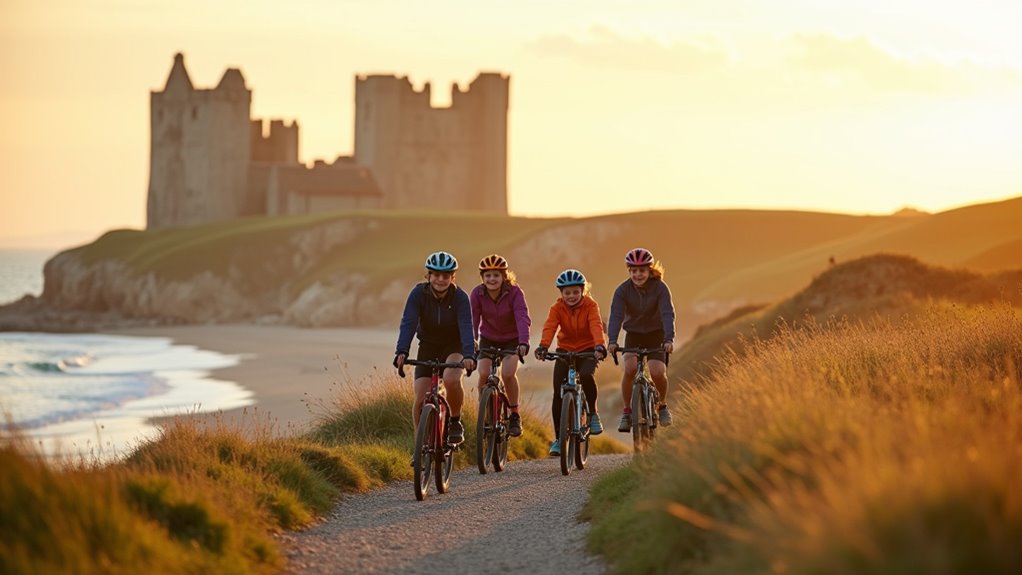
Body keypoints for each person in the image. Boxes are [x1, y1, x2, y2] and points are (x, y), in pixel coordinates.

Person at [394, 251, 477, 447]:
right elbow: (409, 323)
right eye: (436, 275)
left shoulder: (460, 297)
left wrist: (469, 355)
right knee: (421, 396)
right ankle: (420, 444)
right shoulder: (418, 294)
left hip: (454, 345)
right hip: (428, 345)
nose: (441, 279)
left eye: (446, 276)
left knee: (451, 379)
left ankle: (455, 422)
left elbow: (466, 326)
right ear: (428, 276)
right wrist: (402, 351)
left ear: (452, 277)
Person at [534, 269, 607, 457]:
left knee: (586, 375)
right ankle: (559, 439)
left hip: (589, 350)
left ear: (582, 291)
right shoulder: (557, 308)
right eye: (567, 293)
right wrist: (543, 346)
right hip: (565, 350)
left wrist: (599, 346)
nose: (571, 296)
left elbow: (596, 325)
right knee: (558, 393)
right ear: (561, 294)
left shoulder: (591, 305)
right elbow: (550, 326)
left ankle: (593, 414)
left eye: (575, 292)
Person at [607, 247, 677, 433]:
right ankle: (627, 411)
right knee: (630, 369)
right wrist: (612, 340)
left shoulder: (660, 288)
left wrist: (669, 339)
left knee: (657, 371)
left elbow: (667, 313)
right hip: (634, 334)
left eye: (642, 271)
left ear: (649, 270)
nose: (638, 275)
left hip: (656, 334)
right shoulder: (622, 291)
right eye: (634, 271)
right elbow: (616, 316)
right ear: (629, 271)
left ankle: (662, 405)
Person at [470, 254, 531, 437]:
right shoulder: (477, 293)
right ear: (482, 277)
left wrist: (523, 342)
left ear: (504, 276)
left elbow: (522, 317)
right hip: (488, 338)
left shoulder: (515, 293)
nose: (492, 279)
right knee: (483, 372)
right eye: (487, 275)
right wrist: (471, 341)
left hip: (512, 339)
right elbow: (472, 319)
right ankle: (485, 412)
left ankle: (514, 414)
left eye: (496, 275)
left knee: (507, 373)